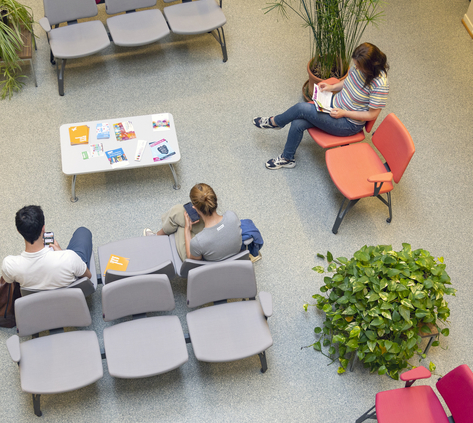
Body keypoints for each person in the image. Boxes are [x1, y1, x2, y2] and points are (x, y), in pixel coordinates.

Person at [253, 42, 389, 170]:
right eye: (356, 65)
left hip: (347, 123)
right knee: (298, 123)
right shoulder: (360, 66)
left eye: (359, 66)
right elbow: (348, 82)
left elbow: (372, 114)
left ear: (371, 67)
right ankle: (287, 159)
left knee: (301, 108)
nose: (356, 68)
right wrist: (332, 87)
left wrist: (344, 113)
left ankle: (275, 122)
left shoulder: (379, 84)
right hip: (334, 105)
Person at [144, 183, 243, 262]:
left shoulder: (198, 241)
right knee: (179, 213)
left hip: (204, 265)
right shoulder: (232, 216)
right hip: (228, 258)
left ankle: (157, 236)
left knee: (179, 221)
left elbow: (191, 260)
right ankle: (159, 234)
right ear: (215, 198)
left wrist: (187, 229)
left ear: (195, 208)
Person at [1, 205, 92, 290]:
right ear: (43, 229)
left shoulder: (9, 265)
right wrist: (61, 252)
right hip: (71, 298)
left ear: (19, 231)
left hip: (37, 303)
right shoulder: (69, 257)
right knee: (82, 232)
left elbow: (9, 281)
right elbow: (88, 276)